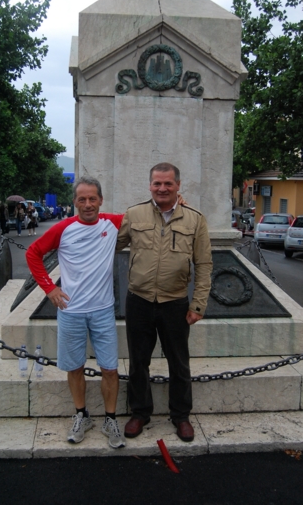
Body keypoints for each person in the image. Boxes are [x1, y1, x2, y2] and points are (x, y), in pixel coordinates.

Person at [26, 176, 126, 449]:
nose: (87, 204)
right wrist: (49, 289)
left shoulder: (112, 223)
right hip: (71, 311)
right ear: (74, 202)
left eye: (92, 198)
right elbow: (33, 253)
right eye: (82, 199)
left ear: (101, 200)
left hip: (103, 311)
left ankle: (110, 418)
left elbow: (148, 213)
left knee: (110, 369)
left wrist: (179, 202)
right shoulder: (63, 228)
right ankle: (82, 415)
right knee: (75, 367)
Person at [116, 162, 213, 443]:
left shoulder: (195, 219)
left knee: (179, 363)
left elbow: (204, 264)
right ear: (150, 185)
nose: (162, 188)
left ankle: (181, 416)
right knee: (138, 362)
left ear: (178, 185)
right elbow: (111, 243)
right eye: (157, 183)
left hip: (175, 303)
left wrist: (198, 305)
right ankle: (140, 413)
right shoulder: (133, 215)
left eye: (168, 183)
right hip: (139, 301)